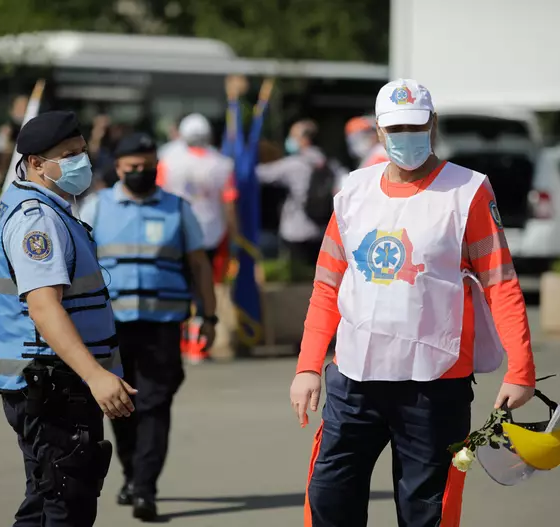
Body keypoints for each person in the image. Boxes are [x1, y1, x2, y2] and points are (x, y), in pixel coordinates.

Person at [290, 79, 537, 527]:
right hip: (354, 379)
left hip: (434, 384)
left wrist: (521, 370)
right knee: (329, 499)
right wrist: (308, 365)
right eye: (395, 128)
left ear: (432, 124)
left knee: (428, 512)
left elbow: (500, 283)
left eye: (415, 126)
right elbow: (327, 284)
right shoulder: (353, 191)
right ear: (379, 131)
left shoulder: (468, 192)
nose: (405, 136)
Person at [0, 110, 135, 527]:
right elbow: (44, 306)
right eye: (69, 155)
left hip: (53, 383)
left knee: (45, 502)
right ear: (36, 163)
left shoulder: (47, 208)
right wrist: (95, 375)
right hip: (55, 385)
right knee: (64, 505)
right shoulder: (36, 219)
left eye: (82, 151)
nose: (81, 162)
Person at [79, 132, 218, 520]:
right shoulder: (96, 207)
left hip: (162, 326)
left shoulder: (177, 208)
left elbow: (199, 265)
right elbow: (78, 264)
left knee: (156, 405)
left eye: (148, 166)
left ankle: (145, 489)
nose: (141, 172)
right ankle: (131, 473)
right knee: (121, 405)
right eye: (133, 167)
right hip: (111, 327)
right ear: (118, 168)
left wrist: (209, 316)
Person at [157, 113, 238, 362]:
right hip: (211, 234)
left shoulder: (168, 160)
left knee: (179, 288)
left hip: (176, 233)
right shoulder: (222, 164)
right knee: (204, 289)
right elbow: (229, 203)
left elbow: (158, 196)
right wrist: (234, 235)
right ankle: (199, 346)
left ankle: (180, 343)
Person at [255, 119, 326, 276]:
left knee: (299, 278)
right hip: (322, 229)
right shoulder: (326, 161)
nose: (290, 140)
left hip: (296, 230)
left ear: (305, 140)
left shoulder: (294, 164)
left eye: (293, 136)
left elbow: (260, 174)